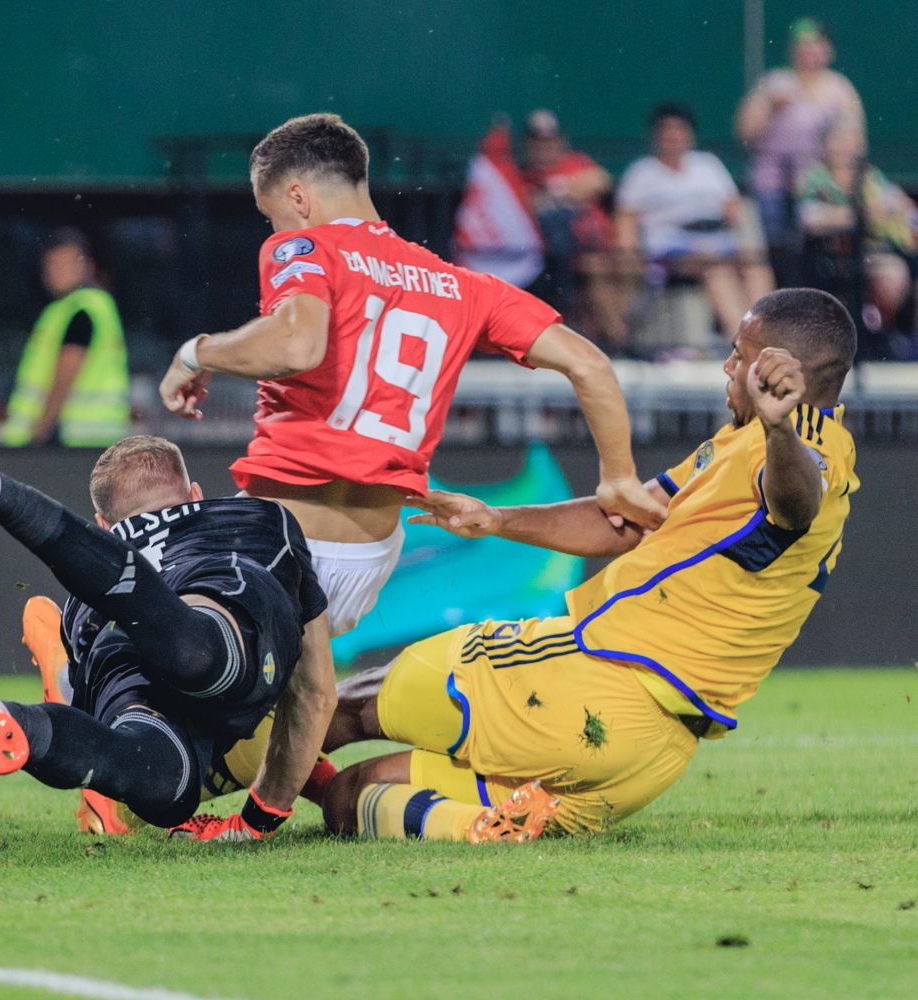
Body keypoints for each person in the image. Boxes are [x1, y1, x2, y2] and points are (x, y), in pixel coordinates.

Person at [152, 112, 665, 837]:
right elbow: (589, 363)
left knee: (146, 620)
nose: (275, 230)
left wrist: (197, 352)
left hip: (277, 535)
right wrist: (618, 476)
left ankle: (101, 760)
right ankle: (260, 817)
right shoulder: (460, 284)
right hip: (368, 555)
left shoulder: (305, 246)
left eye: (272, 215)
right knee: (289, 689)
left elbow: (297, 344)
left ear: (297, 196)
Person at [319, 288, 858, 843]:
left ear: (777, 367)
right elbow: (625, 521)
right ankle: (479, 829)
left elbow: (796, 506)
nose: (727, 366)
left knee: (350, 704)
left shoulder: (806, 448)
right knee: (350, 797)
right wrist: (498, 520)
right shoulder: (743, 445)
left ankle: (254, 808)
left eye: (740, 355)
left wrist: (779, 428)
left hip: (598, 677)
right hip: (650, 752)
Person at [0, 430, 334, 837]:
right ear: (194, 495)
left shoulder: (79, 600)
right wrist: (258, 821)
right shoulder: (261, 517)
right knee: (200, 658)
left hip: (111, 637)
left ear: (102, 527)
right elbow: (315, 694)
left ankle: (20, 722)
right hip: (213, 611)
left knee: (152, 775)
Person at [616, 102, 775, 339]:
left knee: (755, 265)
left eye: (680, 130)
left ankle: (767, 332)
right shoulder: (641, 172)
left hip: (715, 237)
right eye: (667, 130)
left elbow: (733, 208)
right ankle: (744, 340)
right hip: (670, 248)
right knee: (716, 269)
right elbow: (625, 222)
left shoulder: (707, 164)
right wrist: (630, 260)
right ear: (655, 136)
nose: (673, 136)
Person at [737, 18, 866, 253]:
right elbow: (744, 132)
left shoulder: (839, 87)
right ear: (793, 50)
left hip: (819, 184)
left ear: (828, 50)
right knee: (775, 247)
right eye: (803, 46)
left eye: (816, 45)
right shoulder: (774, 82)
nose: (809, 52)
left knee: (818, 244)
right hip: (771, 182)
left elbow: (854, 137)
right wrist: (770, 106)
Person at [1, 229, 130, 447]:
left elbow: (69, 366)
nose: (57, 272)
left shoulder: (83, 309)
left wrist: (41, 428)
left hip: (75, 441)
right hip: (89, 439)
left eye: (65, 265)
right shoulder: (69, 308)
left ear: (88, 267)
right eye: (52, 265)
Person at [798, 124, 916, 352]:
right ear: (826, 145)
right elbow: (809, 218)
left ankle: (898, 340)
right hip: (833, 256)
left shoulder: (871, 177)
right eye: (839, 141)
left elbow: (901, 207)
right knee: (891, 275)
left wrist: (898, 210)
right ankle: (874, 338)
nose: (846, 147)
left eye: (852, 141)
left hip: (879, 250)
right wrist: (859, 215)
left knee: (899, 271)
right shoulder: (815, 178)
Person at [522, 109, 630, 348]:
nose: (544, 148)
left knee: (629, 266)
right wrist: (570, 190)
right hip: (567, 257)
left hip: (606, 246)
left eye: (550, 141)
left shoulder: (576, 162)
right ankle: (620, 340)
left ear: (561, 141)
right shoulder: (525, 176)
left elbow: (599, 181)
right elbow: (528, 202)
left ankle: (614, 335)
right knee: (595, 268)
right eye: (538, 143)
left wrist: (554, 192)